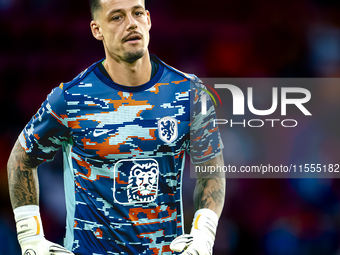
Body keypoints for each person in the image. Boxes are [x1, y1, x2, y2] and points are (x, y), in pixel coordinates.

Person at [7, 0, 226, 254]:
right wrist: (29, 237)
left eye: (137, 13)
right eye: (117, 17)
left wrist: (204, 234)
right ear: (96, 29)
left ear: (149, 19)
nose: (131, 23)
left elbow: (211, 167)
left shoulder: (189, 92)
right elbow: (20, 159)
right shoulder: (71, 98)